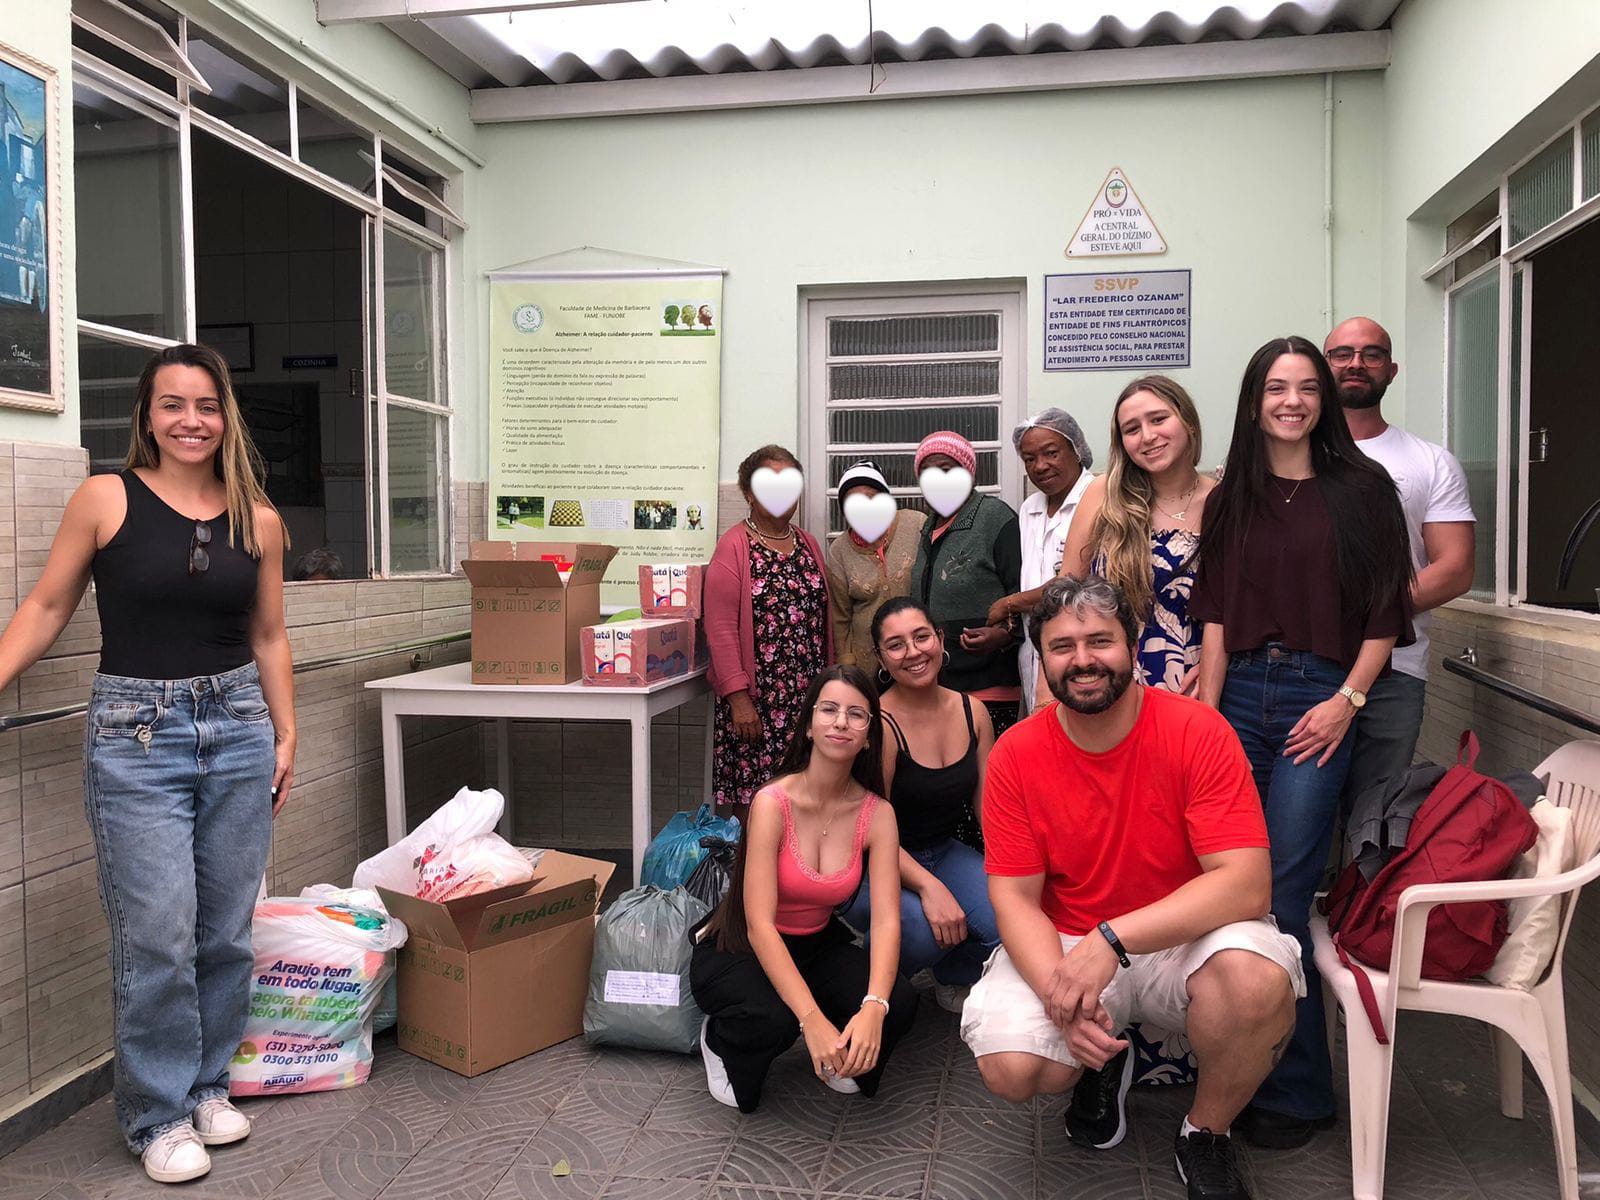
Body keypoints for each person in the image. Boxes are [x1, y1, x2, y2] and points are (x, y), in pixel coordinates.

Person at [0, 344, 295, 1184]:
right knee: (158, 934)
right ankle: (156, 1114)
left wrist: (286, 733)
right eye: (173, 404)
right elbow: (47, 605)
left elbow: (269, 634)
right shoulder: (104, 498)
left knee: (225, 931)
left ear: (225, 415)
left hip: (238, 726)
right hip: (135, 735)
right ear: (147, 415)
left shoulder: (259, 519)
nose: (190, 421)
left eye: (206, 405)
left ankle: (206, 1087)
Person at [961, 575, 1301, 1200]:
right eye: (1062, 646)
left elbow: (1247, 885)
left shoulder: (1198, 731)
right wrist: (1060, 994)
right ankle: (1103, 1057)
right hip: (1070, 938)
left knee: (1256, 984)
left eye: (1100, 641)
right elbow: (1014, 897)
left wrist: (1112, 939)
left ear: (1133, 644)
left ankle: (1206, 1132)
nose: (1083, 660)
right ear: (1042, 659)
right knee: (1014, 1069)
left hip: (1183, 939)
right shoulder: (1016, 753)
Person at [1190, 335, 1412, 1150]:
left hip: (1320, 697)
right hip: (1239, 695)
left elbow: (1385, 615)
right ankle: (1239, 1065)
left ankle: (1299, 1091)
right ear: (1254, 403)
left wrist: (1346, 702)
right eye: (1276, 388)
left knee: (1282, 889)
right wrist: (1208, 715)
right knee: (1229, 881)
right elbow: (1215, 618)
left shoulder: (1365, 489)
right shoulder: (1231, 497)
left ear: (1323, 399)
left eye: (1307, 387)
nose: (1292, 401)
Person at [690, 665, 916, 1112]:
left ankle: (836, 1033)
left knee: (900, 1002)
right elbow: (758, 924)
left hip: (817, 944)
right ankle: (718, 1038)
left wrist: (874, 1006)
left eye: (856, 714)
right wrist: (810, 1019)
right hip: (742, 944)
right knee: (773, 1022)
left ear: (868, 736)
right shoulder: (773, 802)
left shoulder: (878, 814)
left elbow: (888, 920)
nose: (840, 722)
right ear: (809, 725)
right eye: (828, 709)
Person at [1325, 316, 1475, 815]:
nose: (1356, 363)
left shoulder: (1430, 462)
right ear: (1324, 368)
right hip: (1298, 664)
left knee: (1375, 817)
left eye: (1371, 354)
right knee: (1298, 821)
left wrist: (1365, 618)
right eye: (1342, 353)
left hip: (1396, 670)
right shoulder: (1287, 457)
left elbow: (1455, 567)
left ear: (1391, 371)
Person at [839, 597, 999, 1011]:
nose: (912, 652)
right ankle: (862, 991)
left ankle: (953, 975)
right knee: (923, 929)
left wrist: (1018, 876)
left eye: (921, 637)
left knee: (1011, 915)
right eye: (896, 645)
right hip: (873, 862)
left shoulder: (974, 712)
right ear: (881, 658)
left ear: (940, 639)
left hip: (941, 851)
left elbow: (988, 808)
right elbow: (868, 831)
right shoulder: (878, 725)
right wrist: (930, 888)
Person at [705, 445, 834, 808]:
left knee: (808, 794)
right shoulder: (733, 547)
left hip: (807, 697)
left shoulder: (808, 543)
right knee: (759, 801)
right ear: (749, 492)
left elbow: (823, 619)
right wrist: (739, 699)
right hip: (757, 704)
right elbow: (720, 629)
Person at [911, 431, 1023, 739]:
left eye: (947, 470)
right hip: (940, 683)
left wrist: (1005, 635)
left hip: (988, 685)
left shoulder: (994, 518)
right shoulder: (929, 526)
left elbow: (1021, 589)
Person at [986, 409, 1095, 713]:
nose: (1040, 466)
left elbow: (1074, 581)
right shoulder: (1030, 508)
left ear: (1076, 450)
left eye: (1051, 453)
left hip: (1082, 641)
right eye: (1029, 459)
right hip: (1034, 648)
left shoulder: (1095, 499)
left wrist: (1008, 604)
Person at [825, 460, 926, 669]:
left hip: (919, 652)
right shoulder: (839, 550)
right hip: (869, 662)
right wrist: (847, 663)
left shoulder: (916, 524)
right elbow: (840, 617)